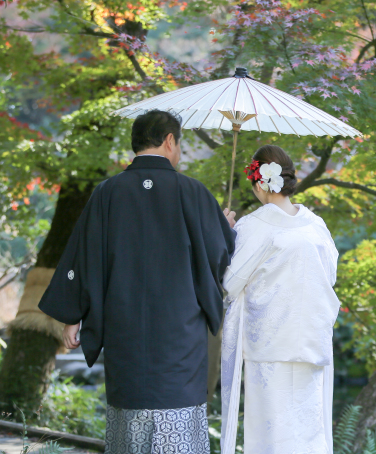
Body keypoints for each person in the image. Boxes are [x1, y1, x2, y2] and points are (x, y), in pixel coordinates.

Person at [39, 110, 236, 454]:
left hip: (124, 327)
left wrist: (74, 315)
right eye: (180, 145)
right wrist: (225, 229)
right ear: (170, 140)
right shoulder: (193, 192)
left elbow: (86, 257)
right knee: (178, 417)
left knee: (129, 418)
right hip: (180, 333)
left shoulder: (107, 193)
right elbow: (220, 258)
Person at [220, 145, 341, 454]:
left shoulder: (254, 225)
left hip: (270, 347)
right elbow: (329, 278)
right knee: (308, 434)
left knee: (271, 436)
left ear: (260, 182)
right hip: (310, 342)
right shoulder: (317, 226)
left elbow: (230, 284)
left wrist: (225, 238)